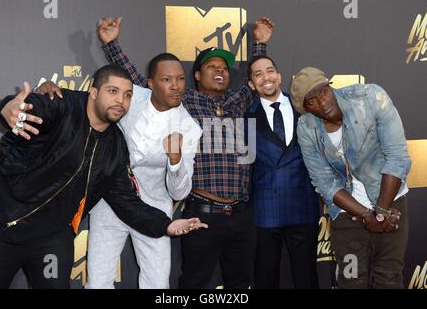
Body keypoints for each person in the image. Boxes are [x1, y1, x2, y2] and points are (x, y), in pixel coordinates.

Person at [0, 65, 206, 289]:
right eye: (112, 91)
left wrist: (167, 225)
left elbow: (125, 199)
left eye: (127, 95)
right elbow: (28, 108)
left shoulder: (115, 146)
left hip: (51, 236)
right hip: (1, 226)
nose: (120, 101)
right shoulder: (62, 103)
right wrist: (7, 107)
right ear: (94, 93)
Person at [97, 16, 274, 288]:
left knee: (241, 284)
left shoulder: (239, 100)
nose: (219, 70)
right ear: (196, 76)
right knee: (194, 283)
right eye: (211, 66)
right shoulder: (185, 100)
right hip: (201, 213)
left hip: (240, 214)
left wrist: (260, 44)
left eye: (224, 68)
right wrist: (111, 45)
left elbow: (258, 78)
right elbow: (140, 80)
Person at [85, 53, 202, 289]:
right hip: (110, 201)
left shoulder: (189, 128)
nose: (176, 86)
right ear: (150, 84)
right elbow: (92, 101)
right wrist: (50, 92)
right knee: (98, 281)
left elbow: (180, 192)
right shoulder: (131, 97)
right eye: (167, 80)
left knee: (157, 283)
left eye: (180, 79)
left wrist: (176, 161)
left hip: (154, 209)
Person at [290, 67, 411, 288]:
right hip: (349, 214)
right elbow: (324, 182)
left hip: (390, 202)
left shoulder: (370, 98)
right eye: (312, 101)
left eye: (323, 91)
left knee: (389, 277)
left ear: (329, 86)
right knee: (350, 277)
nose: (322, 101)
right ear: (305, 109)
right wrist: (366, 215)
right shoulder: (306, 128)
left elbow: (397, 158)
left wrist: (381, 214)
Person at [246, 55, 320, 288]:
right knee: (265, 280)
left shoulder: (305, 108)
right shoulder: (246, 118)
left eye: (270, 71)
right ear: (251, 84)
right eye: (258, 74)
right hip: (265, 211)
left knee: (307, 278)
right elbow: (245, 166)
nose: (265, 77)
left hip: (303, 207)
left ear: (279, 77)